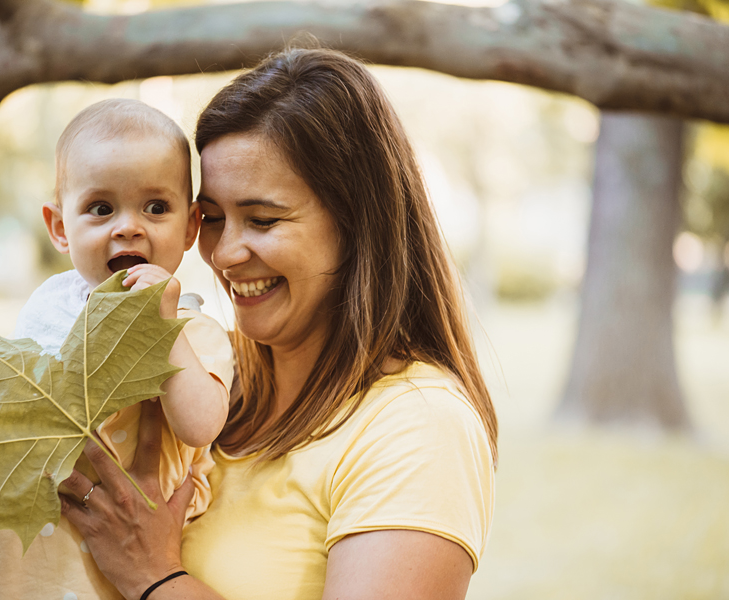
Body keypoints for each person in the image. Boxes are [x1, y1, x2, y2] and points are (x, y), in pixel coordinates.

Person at [60, 47, 499, 600]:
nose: (223, 254)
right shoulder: (204, 373)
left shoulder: (418, 426)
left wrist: (152, 576)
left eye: (263, 220)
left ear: (356, 223)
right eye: (213, 219)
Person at [0, 99, 234, 600]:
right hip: (18, 549)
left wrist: (161, 323)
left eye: (156, 207)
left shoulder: (194, 330)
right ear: (61, 227)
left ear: (191, 226)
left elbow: (200, 425)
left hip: (104, 566)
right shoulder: (49, 306)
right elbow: (14, 393)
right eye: (101, 208)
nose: (128, 226)